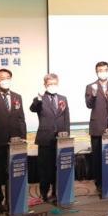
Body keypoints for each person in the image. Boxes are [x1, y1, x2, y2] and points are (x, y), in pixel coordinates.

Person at [0, 68, 27, 213]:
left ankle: (11, 199)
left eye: (8, 77)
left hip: (15, 140)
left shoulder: (17, 96)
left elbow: (21, 118)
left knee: (13, 171)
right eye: (2, 78)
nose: (5, 80)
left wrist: (23, 137)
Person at [30, 73, 70, 203]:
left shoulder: (63, 98)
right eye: (50, 84)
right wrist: (38, 98)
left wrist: (66, 135)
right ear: (45, 85)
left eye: (54, 83)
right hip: (45, 138)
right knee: (45, 168)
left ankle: (56, 191)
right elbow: (33, 108)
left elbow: (66, 118)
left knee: (58, 167)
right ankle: (44, 192)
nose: (52, 86)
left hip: (60, 138)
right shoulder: (40, 98)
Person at [85, 62, 108, 194]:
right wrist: (94, 93)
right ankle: (99, 183)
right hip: (97, 126)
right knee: (97, 156)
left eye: (105, 70)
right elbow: (89, 105)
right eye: (100, 70)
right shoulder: (90, 86)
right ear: (96, 72)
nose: (102, 72)